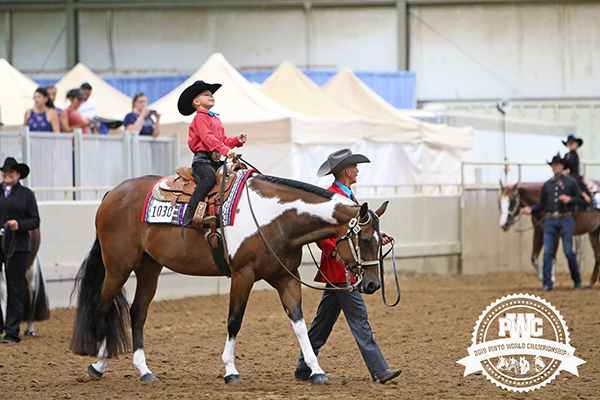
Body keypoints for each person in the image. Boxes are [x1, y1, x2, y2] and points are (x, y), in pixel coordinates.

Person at [295, 149, 401, 385]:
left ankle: (304, 365)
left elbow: (355, 230)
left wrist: (375, 235)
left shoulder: (348, 195)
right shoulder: (330, 197)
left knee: (323, 321)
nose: (358, 170)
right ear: (346, 171)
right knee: (358, 317)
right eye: (355, 166)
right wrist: (334, 252)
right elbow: (320, 232)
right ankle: (379, 369)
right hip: (340, 267)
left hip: (342, 269)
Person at [178, 80, 247, 229]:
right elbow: (208, 139)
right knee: (208, 179)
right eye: (206, 94)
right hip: (202, 161)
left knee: (232, 176)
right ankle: (189, 216)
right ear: (196, 101)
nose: (211, 96)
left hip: (215, 160)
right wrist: (225, 151)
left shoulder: (215, 119)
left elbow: (223, 141)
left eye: (211, 94)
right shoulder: (199, 118)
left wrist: (235, 140)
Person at [523, 155, 585, 291]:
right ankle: (547, 283)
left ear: (562, 166)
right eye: (553, 165)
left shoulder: (571, 182)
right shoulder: (548, 184)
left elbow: (581, 200)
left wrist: (570, 199)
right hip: (550, 219)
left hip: (565, 218)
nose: (555, 167)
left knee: (568, 251)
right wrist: (531, 208)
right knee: (548, 252)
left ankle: (577, 280)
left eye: (557, 165)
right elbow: (543, 204)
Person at [0, 157, 40, 344]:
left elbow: (35, 221)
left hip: (18, 245)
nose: (7, 175)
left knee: (15, 288)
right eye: (5, 172)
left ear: (17, 175)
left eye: (11, 172)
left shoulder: (26, 194)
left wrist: (19, 225)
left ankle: (12, 332)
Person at [561, 135, 591, 204]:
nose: (571, 145)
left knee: (577, 182)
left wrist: (562, 161)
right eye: (569, 143)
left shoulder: (574, 155)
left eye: (572, 143)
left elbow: (572, 163)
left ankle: (586, 196)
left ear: (576, 144)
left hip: (574, 174)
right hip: (566, 173)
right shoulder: (567, 155)